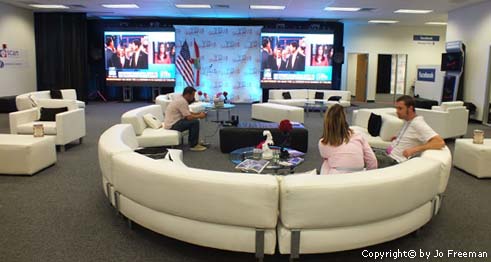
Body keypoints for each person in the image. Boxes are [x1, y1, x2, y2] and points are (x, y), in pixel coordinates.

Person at [374, 95, 446, 168]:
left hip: (393, 160)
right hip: (387, 153)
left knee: (364, 156)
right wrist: (398, 138)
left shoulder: (418, 123)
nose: (397, 111)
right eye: (396, 108)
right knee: (364, 148)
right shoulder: (407, 120)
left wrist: (414, 149)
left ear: (410, 108)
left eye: (400, 108)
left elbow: (439, 142)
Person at [319, 104, 377, 175]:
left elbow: (325, 156)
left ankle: (323, 181)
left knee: (326, 162)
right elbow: (372, 160)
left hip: (337, 179)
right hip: (359, 177)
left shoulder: (323, 142)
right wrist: (368, 176)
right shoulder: (358, 136)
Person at [164, 86, 207, 152]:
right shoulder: (182, 102)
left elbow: (187, 113)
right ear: (187, 95)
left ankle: (194, 142)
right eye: (192, 95)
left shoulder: (181, 99)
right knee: (195, 122)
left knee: (194, 121)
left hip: (174, 122)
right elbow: (189, 117)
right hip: (172, 125)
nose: (193, 97)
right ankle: (193, 145)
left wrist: (198, 113)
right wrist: (199, 116)